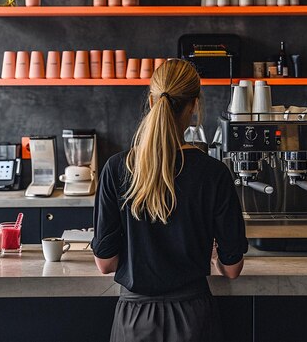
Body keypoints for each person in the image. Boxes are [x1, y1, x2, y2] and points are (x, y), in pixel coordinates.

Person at [91, 58, 248, 342]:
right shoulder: (215, 173)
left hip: (134, 321)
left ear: (151, 102)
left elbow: (105, 263)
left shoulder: (117, 168)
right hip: (194, 319)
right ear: (194, 106)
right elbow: (233, 269)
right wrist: (212, 256)